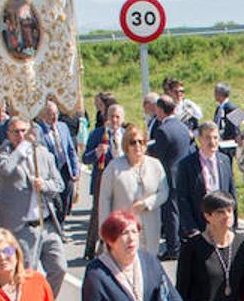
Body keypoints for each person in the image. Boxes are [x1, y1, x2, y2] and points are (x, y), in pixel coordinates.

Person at [0, 117, 66, 296]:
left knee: (59, 268)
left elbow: (59, 184)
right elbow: (6, 169)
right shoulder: (4, 153)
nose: (20, 135)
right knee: (26, 275)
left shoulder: (43, 153)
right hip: (22, 227)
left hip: (46, 224)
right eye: (16, 132)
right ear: (8, 134)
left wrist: (45, 185)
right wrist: (23, 147)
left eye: (24, 131)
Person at [97, 123, 168, 256]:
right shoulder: (114, 167)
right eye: (132, 142)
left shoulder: (155, 165)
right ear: (126, 146)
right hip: (123, 228)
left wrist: (147, 204)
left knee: (148, 263)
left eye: (141, 142)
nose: (137, 146)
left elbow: (164, 192)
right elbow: (104, 198)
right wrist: (104, 229)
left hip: (150, 225)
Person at [176, 120, 238, 242]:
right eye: (208, 138)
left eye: (215, 137)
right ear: (199, 139)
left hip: (223, 224)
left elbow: (232, 193)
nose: (212, 142)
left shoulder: (225, 160)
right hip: (199, 226)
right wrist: (191, 228)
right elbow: (183, 198)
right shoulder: (187, 164)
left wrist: (233, 224)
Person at [148, 95, 192, 259]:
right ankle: (181, 241)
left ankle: (173, 248)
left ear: (160, 110)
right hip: (182, 173)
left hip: (169, 175)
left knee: (170, 213)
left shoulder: (162, 130)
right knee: (179, 210)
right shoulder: (182, 126)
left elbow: (158, 154)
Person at [81, 102, 124, 258]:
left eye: (117, 117)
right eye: (111, 117)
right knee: (99, 213)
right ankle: (90, 249)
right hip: (102, 177)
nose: (114, 120)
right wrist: (97, 152)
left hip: (121, 178)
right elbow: (85, 158)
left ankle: (114, 246)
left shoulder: (126, 134)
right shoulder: (98, 134)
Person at [34, 100, 79, 223]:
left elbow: (71, 149)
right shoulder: (38, 129)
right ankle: (56, 225)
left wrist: (75, 169)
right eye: (50, 114)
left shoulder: (63, 127)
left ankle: (61, 223)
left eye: (56, 113)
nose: (54, 117)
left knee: (65, 199)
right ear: (43, 115)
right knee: (56, 201)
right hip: (51, 171)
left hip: (65, 168)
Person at [212, 82, 240, 165]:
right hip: (219, 144)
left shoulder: (233, 107)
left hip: (228, 145)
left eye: (215, 92)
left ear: (220, 94)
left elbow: (238, 128)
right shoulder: (219, 108)